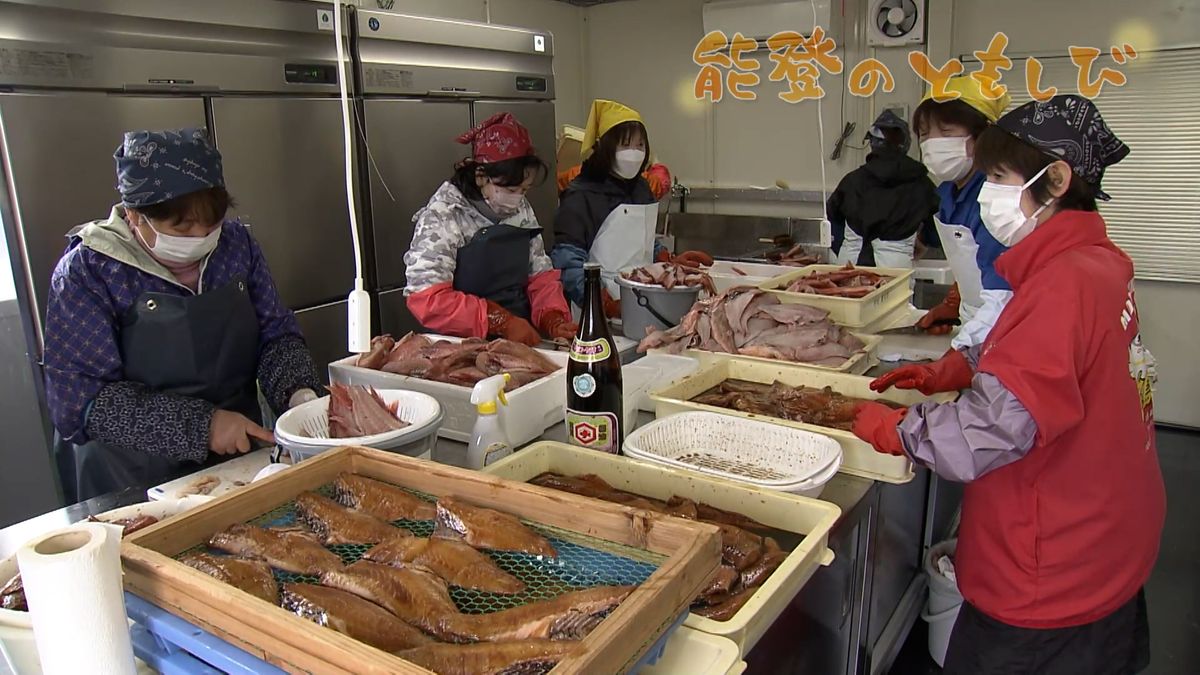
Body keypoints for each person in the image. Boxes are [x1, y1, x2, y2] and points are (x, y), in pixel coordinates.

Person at [854, 95, 1163, 675]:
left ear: (1056, 181)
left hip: (1052, 573)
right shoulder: (1093, 263)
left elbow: (987, 432)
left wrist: (899, 429)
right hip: (1107, 540)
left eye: (998, 176)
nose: (989, 192)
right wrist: (963, 364)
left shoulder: (1063, 285)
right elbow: (1060, 361)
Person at [44, 128, 324, 502]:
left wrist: (299, 394)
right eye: (182, 227)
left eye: (211, 224)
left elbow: (275, 334)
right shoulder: (89, 270)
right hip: (128, 476)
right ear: (134, 215)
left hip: (235, 460)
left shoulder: (237, 247)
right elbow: (83, 402)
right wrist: (202, 426)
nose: (201, 235)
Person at [403, 112, 576, 346]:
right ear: (481, 176)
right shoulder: (444, 215)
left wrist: (552, 317)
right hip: (460, 347)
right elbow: (427, 298)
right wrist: (499, 320)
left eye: (524, 190)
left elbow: (539, 274)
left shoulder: (520, 209)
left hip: (519, 340)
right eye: (511, 189)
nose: (518, 199)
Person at [551, 99, 710, 318]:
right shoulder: (581, 195)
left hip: (645, 300)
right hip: (597, 312)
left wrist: (664, 258)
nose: (634, 153)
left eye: (640, 146)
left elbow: (640, 240)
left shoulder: (641, 188)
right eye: (625, 145)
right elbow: (568, 261)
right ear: (605, 148)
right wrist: (602, 303)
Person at [912, 77, 1011, 345]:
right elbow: (974, 262)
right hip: (976, 321)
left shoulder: (997, 199)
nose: (932, 143)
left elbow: (1004, 294)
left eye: (946, 132)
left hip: (1003, 329)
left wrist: (961, 352)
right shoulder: (947, 191)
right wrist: (956, 301)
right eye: (924, 133)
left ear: (982, 137)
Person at [827, 110, 939, 268]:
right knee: (896, 294)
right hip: (896, 268)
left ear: (872, 143)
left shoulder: (852, 181)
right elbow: (939, 223)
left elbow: (831, 220)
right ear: (905, 144)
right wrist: (924, 240)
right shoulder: (921, 183)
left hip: (850, 265)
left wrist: (844, 247)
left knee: (851, 292)